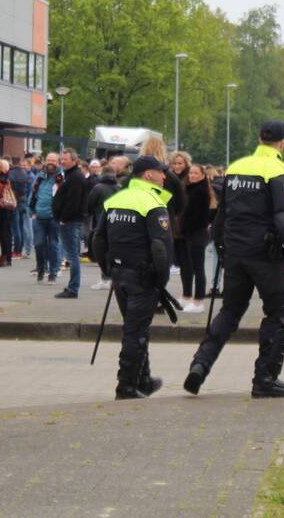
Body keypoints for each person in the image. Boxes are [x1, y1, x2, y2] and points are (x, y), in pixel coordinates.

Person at [184, 121, 284, 399]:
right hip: (265, 255)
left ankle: (200, 364)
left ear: (259, 139)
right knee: (280, 313)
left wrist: (222, 248)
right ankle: (265, 379)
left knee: (229, 311)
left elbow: (222, 214)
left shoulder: (236, 167)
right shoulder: (278, 171)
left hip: (235, 252)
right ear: (282, 143)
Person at [91, 155, 175, 399]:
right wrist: (161, 280)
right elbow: (160, 246)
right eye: (161, 172)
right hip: (143, 277)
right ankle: (126, 386)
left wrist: (107, 269)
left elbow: (98, 239)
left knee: (135, 327)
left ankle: (143, 380)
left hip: (120, 274)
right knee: (135, 332)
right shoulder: (152, 202)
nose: (164, 176)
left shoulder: (116, 199)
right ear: (148, 175)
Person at [51, 148, 90, 298]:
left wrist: (64, 218)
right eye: (61, 159)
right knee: (72, 255)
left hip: (71, 222)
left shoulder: (75, 177)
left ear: (74, 161)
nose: (62, 161)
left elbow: (73, 202)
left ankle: (73, 288)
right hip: (69, 221)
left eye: (65, 159)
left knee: (72, 256)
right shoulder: (70, 175)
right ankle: (72, 287)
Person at [180, 163, 215, 312]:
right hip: (192, 232)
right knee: (191, 266)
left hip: (197, 233)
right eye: (191, 173)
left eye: (195, 173)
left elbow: (197, 215)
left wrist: (186, 225)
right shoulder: (192, 189)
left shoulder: (200, 191)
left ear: (202, 175)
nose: (192, 175)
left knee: (198, 267)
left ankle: (198, 301)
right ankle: (189, 298)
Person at [85, 165, 121, 290]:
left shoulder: (98, 187)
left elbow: (89, 204)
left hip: (101, 222)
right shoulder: (120, 187)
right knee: (114, 252)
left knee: (102, 252)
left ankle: (105, 278)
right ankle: (114, 278)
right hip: (118, 222)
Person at [30, 152, 61, 283]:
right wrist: (32, 211)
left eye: (53, 160)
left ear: (58, 162)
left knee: (53, 245)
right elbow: (32, 194)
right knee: (38, 244)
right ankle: (41, 269)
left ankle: (53, 273)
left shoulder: (61, 177)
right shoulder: (40, 176)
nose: (50, 163)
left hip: (54, 218)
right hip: (39, 217)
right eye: (48, 160)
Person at [8, 155, 31, 260]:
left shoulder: (10, 173)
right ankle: (20, 250)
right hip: (24, 201)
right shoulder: (24, 173)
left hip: (15, 201)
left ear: (12, 162)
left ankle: (16, 250)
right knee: (21, 227)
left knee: (16, 227)